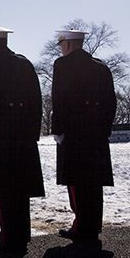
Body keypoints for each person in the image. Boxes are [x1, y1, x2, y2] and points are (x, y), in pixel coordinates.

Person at [0, 26, 45, 256]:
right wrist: (33, 132)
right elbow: (36, 101)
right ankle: (22, 235)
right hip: (22, 135)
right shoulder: (24, 63)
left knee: (1, 189)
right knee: (20, 188)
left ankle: (8, 237)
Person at [51, 30, 116, 245]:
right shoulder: (101, 67)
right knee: (94, 183)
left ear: (68, 44)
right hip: (96, 133)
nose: (61, 47)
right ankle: (93, 225)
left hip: (74, 132)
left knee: (77, 182)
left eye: (61, 43)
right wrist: (105, 129)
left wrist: (58, 129)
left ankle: (81, 226)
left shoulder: (63, 65)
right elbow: (110, 102)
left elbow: (59, 99)